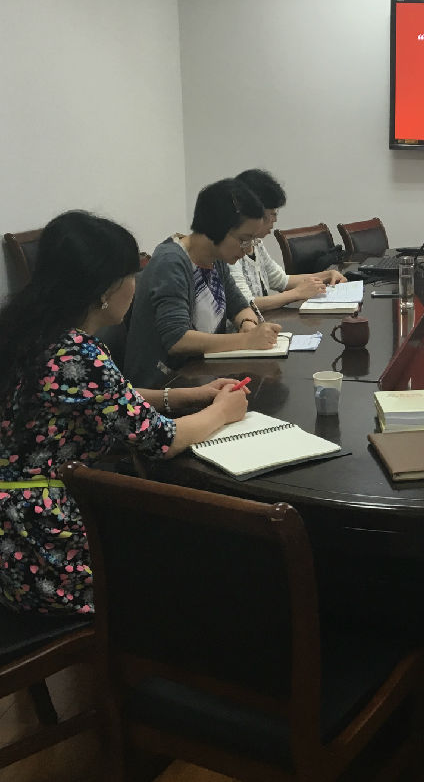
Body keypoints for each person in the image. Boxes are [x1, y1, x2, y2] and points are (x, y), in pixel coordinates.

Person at [0, 211, 249, 614]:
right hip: (49, 548)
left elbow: (108, 399)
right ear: (105, 289)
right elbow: (162, 440)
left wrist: (189, 396)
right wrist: (222, 410)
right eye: (132, 275)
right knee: (207, 546)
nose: (136, 285)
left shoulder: (29, 331)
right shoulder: (80, 354)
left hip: (13, 534)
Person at [125, 178, 283, 388]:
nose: (247, 249)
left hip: (202, 375)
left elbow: (239, 305)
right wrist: (247, 340)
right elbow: (178, 340)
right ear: (217, 228)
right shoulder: (171, 262)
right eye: (243, 239)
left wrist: (248, 325)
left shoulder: (216, 259)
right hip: (164, 385)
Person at [231, 168, 345, 310]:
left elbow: (282, 280)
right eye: (272, 213)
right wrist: (297, 293)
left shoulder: (256, 244)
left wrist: (327, 275)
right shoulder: (229, 251)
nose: (275, 219)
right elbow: (245, 303)